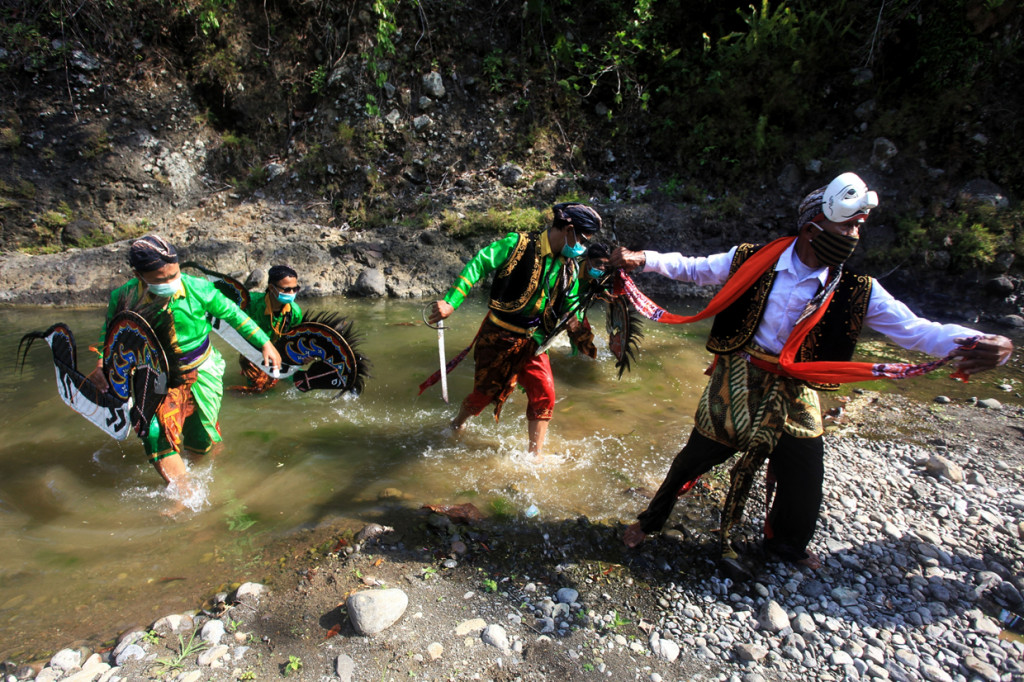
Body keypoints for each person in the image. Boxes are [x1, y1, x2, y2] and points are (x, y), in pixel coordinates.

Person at [610, 172, 1013, 567]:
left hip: (796, 385)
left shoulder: (857, 291)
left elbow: (916, 331)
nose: (854, 237)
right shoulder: (752, 259)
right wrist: (643, 259)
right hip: (740, 375)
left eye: (859, 228)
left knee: (804, 475)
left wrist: (979, 342)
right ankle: (650, 522)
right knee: (694, 457)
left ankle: (785, 545)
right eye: (847, 226)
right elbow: (696, 268)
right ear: (811, 228)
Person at [87, 234, 282, 489]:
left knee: (200, 436)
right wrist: (102, 364)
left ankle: (210, 472)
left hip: (201, 370)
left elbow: (234, 314)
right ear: (138, 275)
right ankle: (184, 493)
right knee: (153, 431)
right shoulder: (123, 297)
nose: (170, 283)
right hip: (156, 374)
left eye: (174, 275)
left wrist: (265, 343)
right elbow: (111, 334)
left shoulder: (197, 289)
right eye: (161, 279)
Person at [426, 202, 604, 458]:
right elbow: (479, 263)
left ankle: (535, 457)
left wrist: (582, 335)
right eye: (583, 238)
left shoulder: (569, 267)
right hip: (498, 335)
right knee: (484, 395)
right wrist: (451, 302)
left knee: (545, 394)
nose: (582, 246)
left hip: (534, 340)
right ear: (569, 229)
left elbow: (570, 307)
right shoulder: (518, 244)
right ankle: (457, 423)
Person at [234, 265, 304, 393]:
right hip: (252, 352)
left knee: (296, 382)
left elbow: (294, 339)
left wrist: (302, 356)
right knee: (259, 389)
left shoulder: (295, 312)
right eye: (287, 290)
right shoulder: (250, 303)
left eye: (295, 289)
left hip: (279, 351)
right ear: (271, 288)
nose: (292, 294)